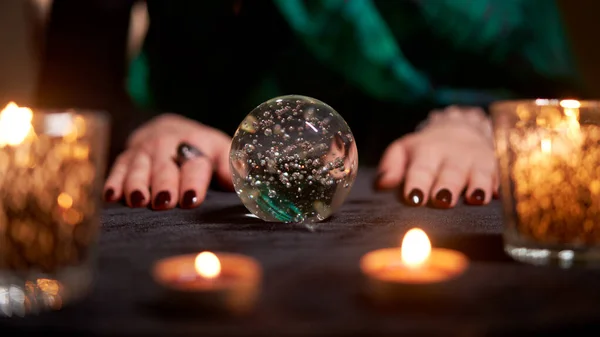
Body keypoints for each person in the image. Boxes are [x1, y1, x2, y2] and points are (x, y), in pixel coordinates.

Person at [35, 0, 585, 210]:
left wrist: (481, 122)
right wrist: (148, 128)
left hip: (440, 185)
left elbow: (563, 101)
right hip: (201, 189)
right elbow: (70, 93)